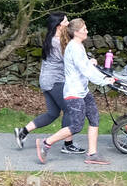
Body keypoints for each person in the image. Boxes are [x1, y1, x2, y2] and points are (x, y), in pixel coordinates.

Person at [36, 18, 117, 165]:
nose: (87, 31)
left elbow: (88, 66)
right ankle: (46, 143)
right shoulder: (73, 47)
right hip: (74, 93)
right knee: (76, 126)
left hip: (83, 91)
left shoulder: (79, 46)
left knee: (94, 118)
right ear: (76, 32)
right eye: (84, 28)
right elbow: (86, 70)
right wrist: (104, 81)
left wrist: (106, 77)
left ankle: (92, 154)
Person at [15, 12, 84, 154]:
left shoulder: (54, 38)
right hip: (55, 81)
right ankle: (68, 144)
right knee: (69, 110)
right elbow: (69, 60)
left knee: (52, 113)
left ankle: (23, 131)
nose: (68, 23)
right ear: (59, 25)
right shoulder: (56, 42)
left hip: (47, 81)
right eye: (66, 21)